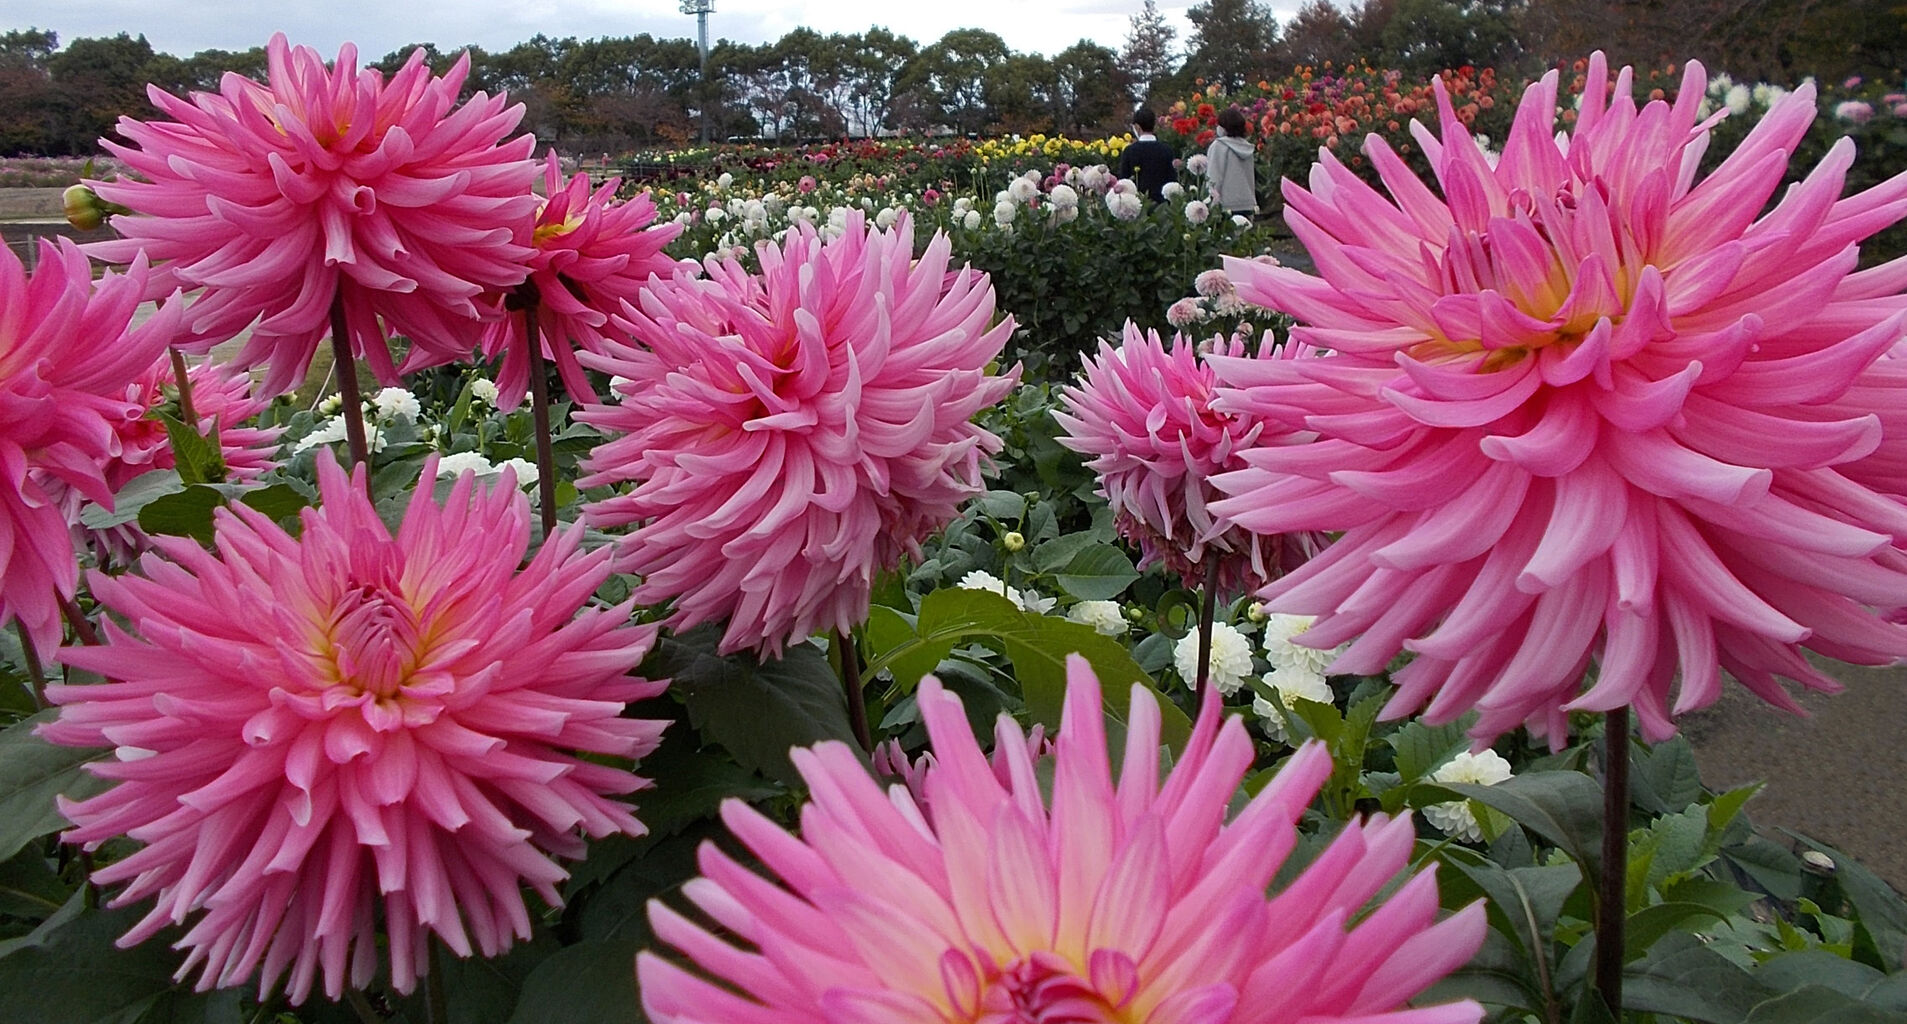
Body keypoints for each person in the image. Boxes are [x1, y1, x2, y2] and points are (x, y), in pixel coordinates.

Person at [1115, 107, 1177, 204]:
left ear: (1137, 127)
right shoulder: (1166, 150)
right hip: (1163, 207)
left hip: (1138, 206)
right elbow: (1172, 180)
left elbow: (1124, 182)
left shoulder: (1129, 151)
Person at [1206, 106, 1258, 217]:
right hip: (1247, 203)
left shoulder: (1219, 146)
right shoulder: (1247, 147)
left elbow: (1214, 177)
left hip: (1226, 205)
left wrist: (1211, 203)